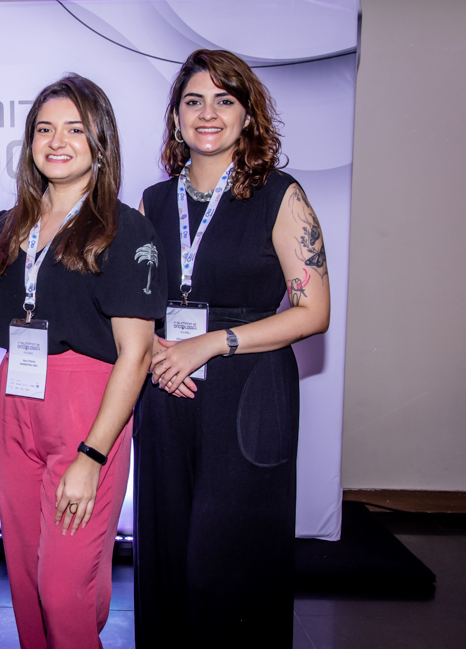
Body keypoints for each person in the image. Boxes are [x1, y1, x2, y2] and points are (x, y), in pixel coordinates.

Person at [133, 49, 331, 647]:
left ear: (248, 115)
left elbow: (314, 312)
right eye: (193, 100)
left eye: (225, 100)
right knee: (167, 556)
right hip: (166, 389)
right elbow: (138, 303)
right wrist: (152, 349)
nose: (208, 113)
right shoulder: (152, 202)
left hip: (249, 397)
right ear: (176, 117)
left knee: (228, 565)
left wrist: (214, 342)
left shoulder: (281, 196)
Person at [0, 74, 165, 649]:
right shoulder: (4, 227)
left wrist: (93, 455)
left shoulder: (124, 229)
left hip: (87, 409)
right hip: (15, 400)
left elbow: (136, 354)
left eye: (75, 129)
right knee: (26, 578)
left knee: (63, 591)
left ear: (100, 141)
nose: (57, 141)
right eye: (44, 129)